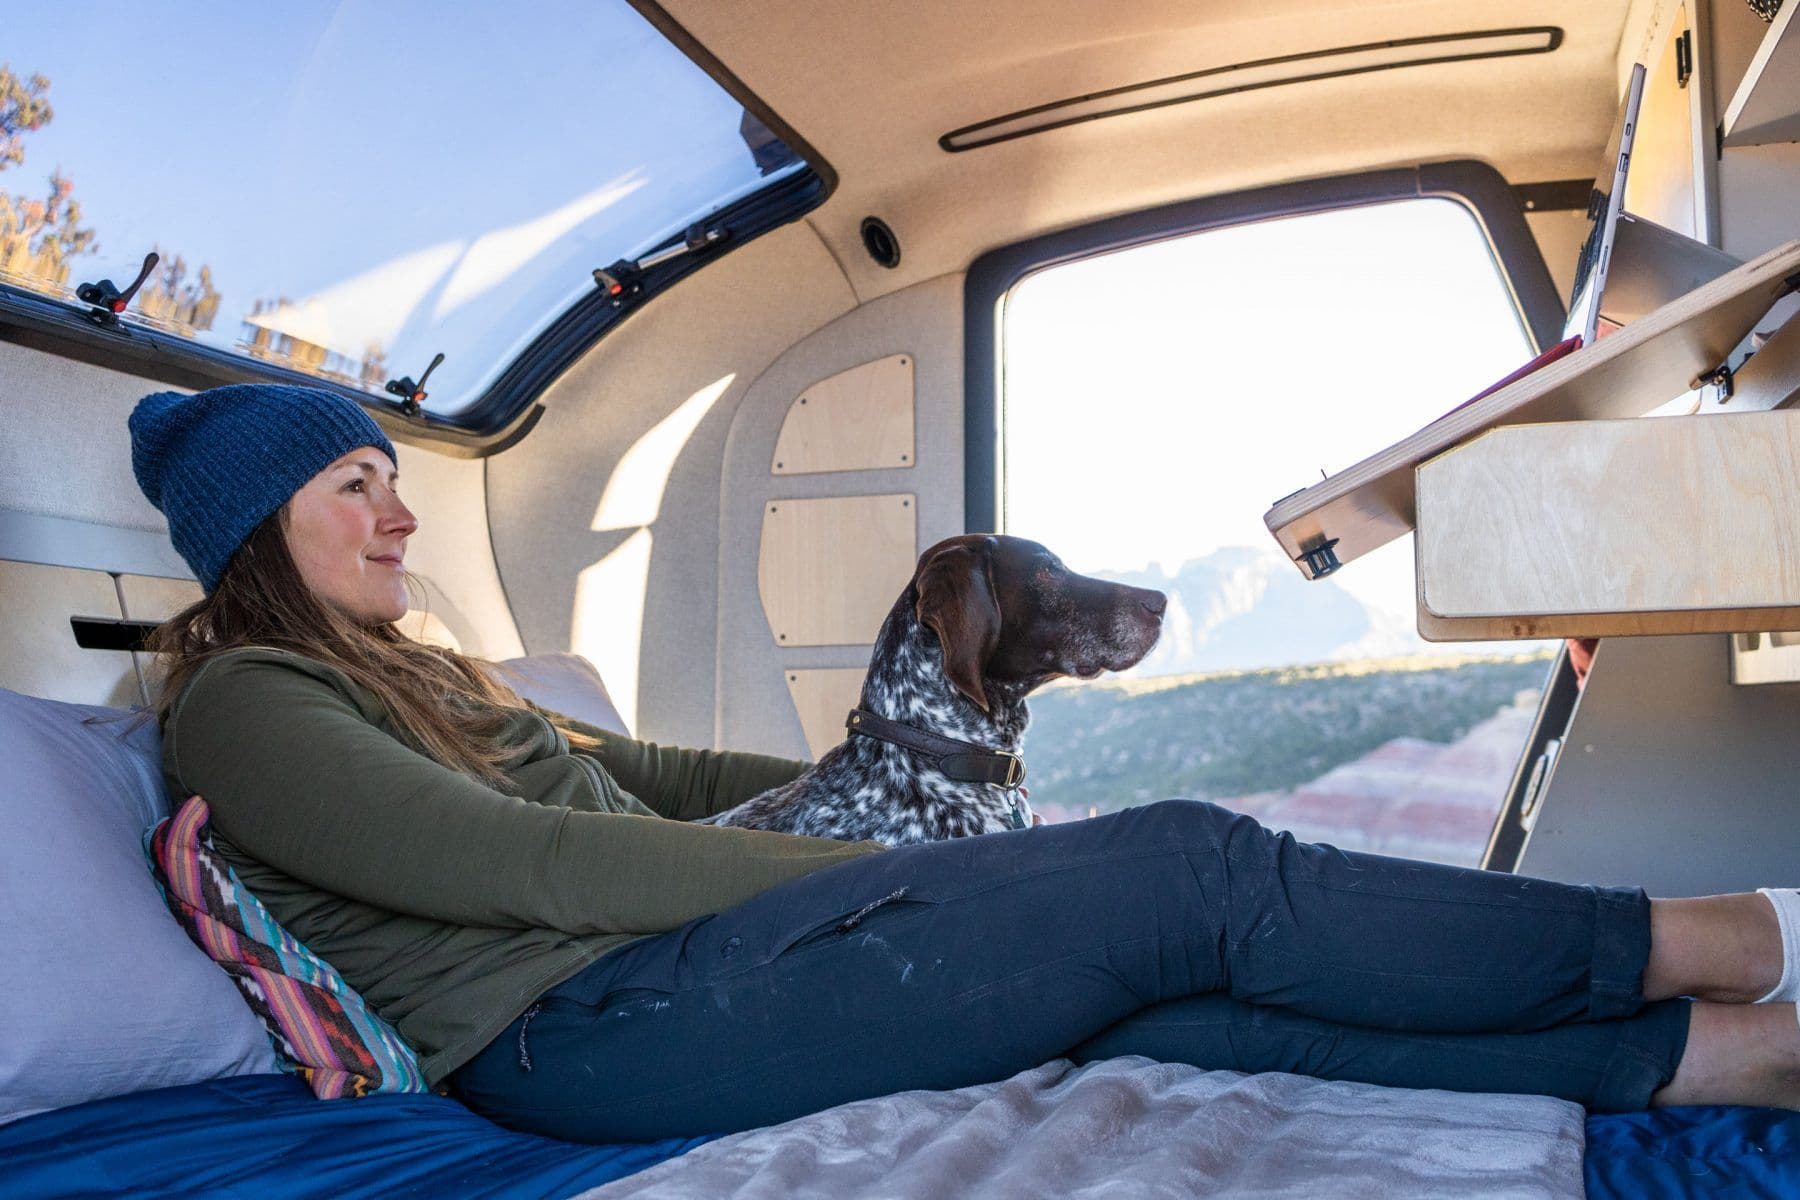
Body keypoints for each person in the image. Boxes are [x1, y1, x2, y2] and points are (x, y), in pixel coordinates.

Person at [131, 383, 1800, 1144]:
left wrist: (870, 773)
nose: (398, 510)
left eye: (389, 477)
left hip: (669, 969)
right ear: (252, 532)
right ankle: (1741, 937)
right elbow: (541, 873)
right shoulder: (251, 705)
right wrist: (898, 869)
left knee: (1177, 1007)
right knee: (1181, 867)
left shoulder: (426, 675)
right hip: (579, 1032)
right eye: (354, 484)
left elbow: (649, 783)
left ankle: (1704, 1064)